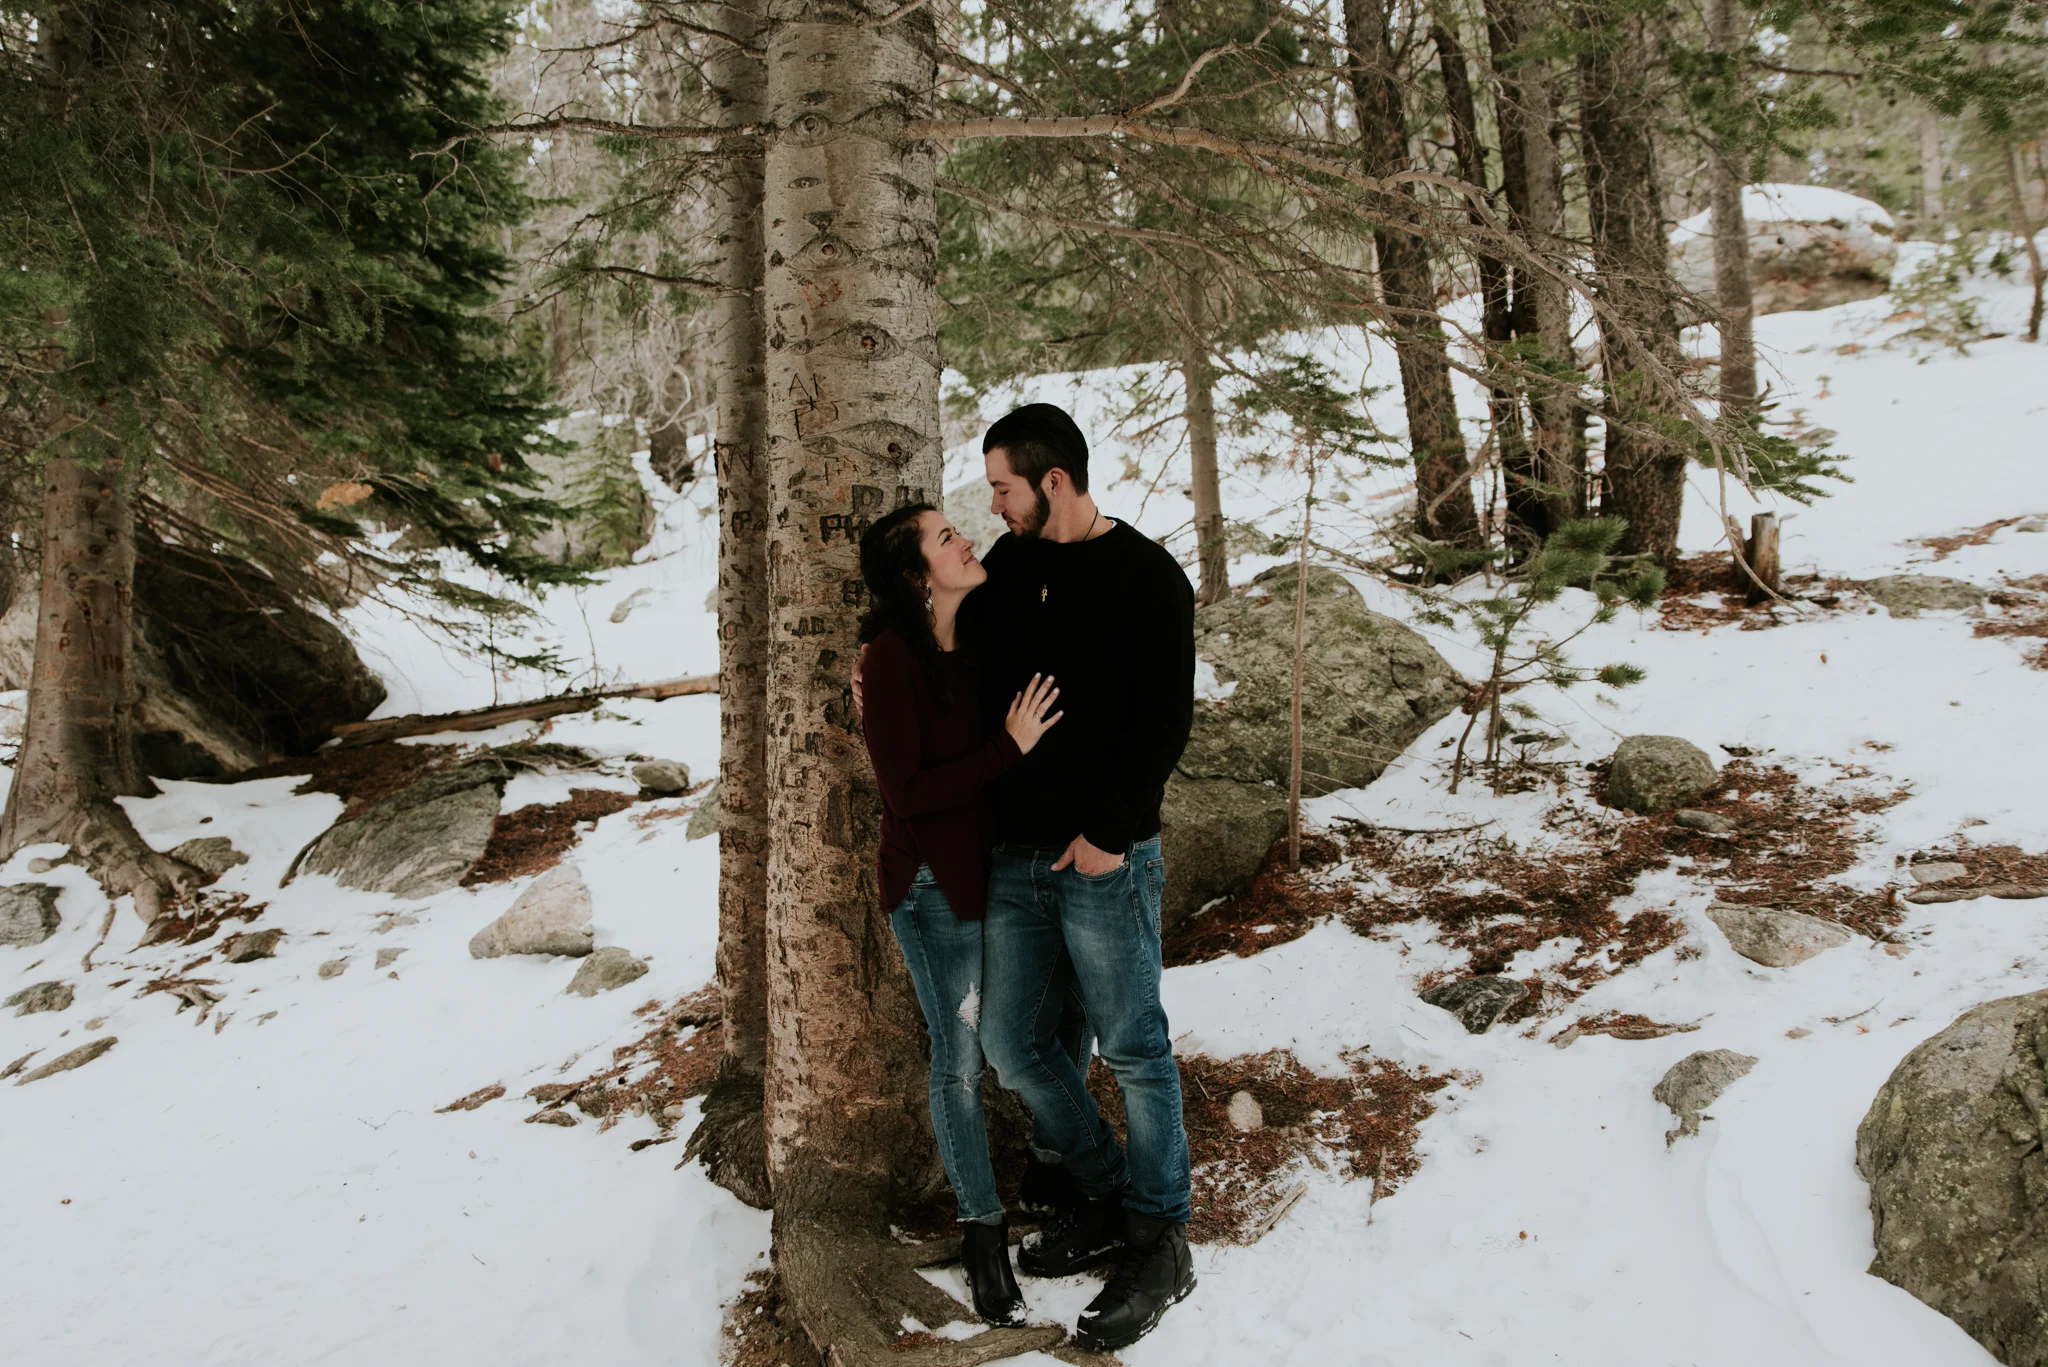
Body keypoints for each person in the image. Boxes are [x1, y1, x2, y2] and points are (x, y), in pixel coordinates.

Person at [966, 402, 1199, 1353]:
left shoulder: (1148, 577)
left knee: (1135, 1047)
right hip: (1017, 859)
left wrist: (1110, 832)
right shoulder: (1010, 568)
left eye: (1003, 486)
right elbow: (955, 644)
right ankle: (1104, 1187)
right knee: (1012, 1047)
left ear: (1053, 481)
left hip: (1105, 858)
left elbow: (1164, 724)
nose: (995, 503)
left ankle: (1160, 1232)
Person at [854, 502, 1063, 1328]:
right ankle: (982, 1230)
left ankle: (1056, 1167)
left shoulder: (973, 640)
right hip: (934, 889)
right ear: (916, 575)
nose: (965, 538)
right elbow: (905, 795)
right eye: (946, 537)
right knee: (960, 1059)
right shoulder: (890, 658)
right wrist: (1006, 748)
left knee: (1030, 1032)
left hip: (1001, 874)